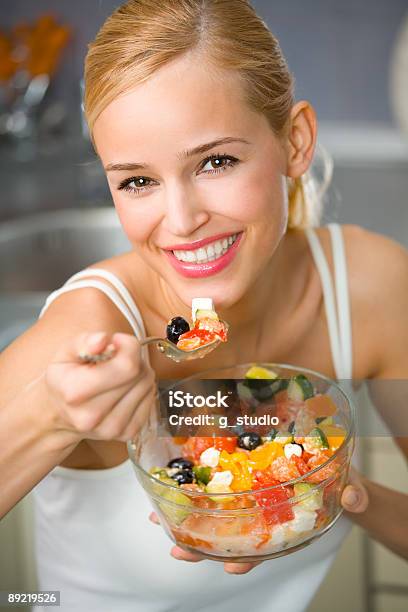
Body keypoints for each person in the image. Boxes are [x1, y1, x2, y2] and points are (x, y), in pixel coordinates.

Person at [0, 1, 407, 610]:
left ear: (294, 142)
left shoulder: (371, 286)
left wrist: (337, 491)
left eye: (216, 162)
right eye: (138, 181)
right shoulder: (94, 328)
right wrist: (50, 416)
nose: (183, 222)